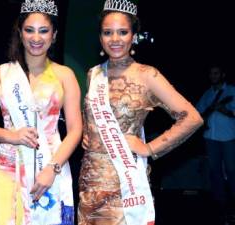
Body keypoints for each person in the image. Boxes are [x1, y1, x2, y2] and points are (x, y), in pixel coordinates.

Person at [78, 0, 204, 224]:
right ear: (100, 38)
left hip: (125, 187)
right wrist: (86, 134)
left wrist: (150, 148)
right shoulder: (93, 74)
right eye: (108, 33)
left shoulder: (148, 75)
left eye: (123, 32)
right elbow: (92, 115)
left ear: (134, 36)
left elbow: (192, 117)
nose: (115, 39)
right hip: (89, 185)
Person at [0, 0, 82, 224]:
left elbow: (75, 130)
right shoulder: (1, 73)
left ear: (54, 34)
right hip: (8, 165)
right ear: (20, 32)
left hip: (51, 163)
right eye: (29, 30)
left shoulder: (65, 75)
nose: (36, 38)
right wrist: (12, 136)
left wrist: (52, 169)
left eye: (44, 31)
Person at [196, 65, 235, 224]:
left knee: (232, 170)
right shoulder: (207, 93)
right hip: (210, 137)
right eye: (211, 73)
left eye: (216, 73)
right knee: (214, 171)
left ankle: (233, 201)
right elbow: (198, 113)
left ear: (223, 74)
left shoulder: (232, 91)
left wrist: (222, 109)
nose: (213, 76)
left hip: (228, 137)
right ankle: (220, 202)